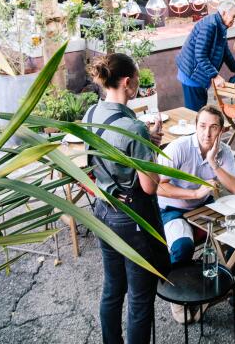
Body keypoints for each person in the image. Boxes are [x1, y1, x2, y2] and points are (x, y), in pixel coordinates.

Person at [83, 53, 169, 344]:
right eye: (136, 81)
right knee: (140, 298)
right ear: (128, 82)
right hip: (132, 218)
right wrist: (151, 149)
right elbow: (149, 187)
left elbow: (97, 161)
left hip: (104, 209)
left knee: (112, 288)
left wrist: (148, 143)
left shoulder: (91, 115)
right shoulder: (134, 127)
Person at [157, 105, 235, 321]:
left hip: (205, 206)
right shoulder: (178, 148)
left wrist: (214, 163)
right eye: (202, 126)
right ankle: (179, 297)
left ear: (221, 131)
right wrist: (195, 193)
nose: (207, 133)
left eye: (214, 127)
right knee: (182, 247)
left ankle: (224, 281)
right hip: (171, 208)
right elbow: (157, 186)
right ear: (195, 127)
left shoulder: (223, 150)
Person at [176, 0, 235, 111]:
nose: (234, 20)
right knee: (196, 113)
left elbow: (225, 51)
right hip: (192, 75)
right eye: (233, 16)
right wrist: (215, 76)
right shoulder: (210, 26)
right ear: (224, 13)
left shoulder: (221, 25)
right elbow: (200, 55)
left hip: (199, 75)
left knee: (200, 110)